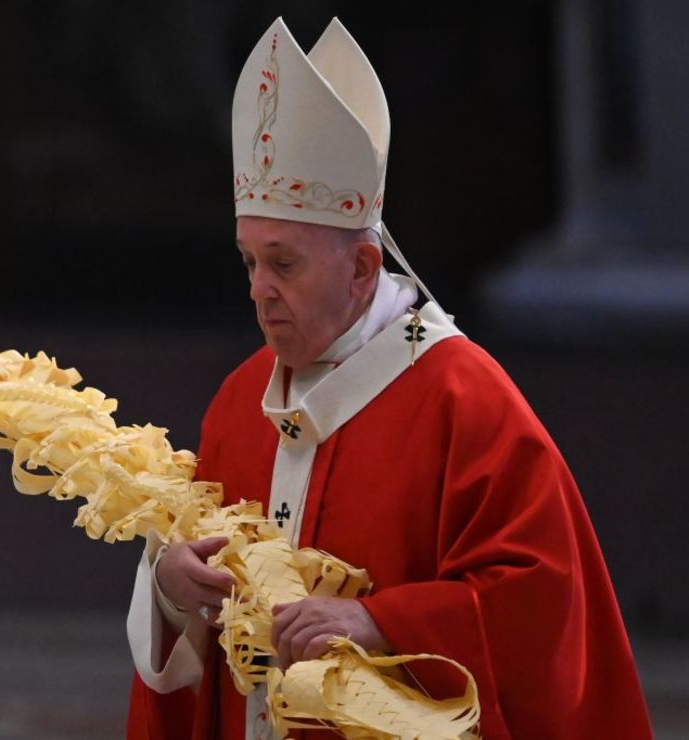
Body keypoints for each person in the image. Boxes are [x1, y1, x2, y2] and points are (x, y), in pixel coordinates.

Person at [124, 16, 652, 740]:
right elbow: (193, 584)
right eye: (249, 262)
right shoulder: (238, 400)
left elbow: (545, 605)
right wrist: (171, 587)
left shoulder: (462, 396)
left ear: (363, 269)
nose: (258, 289)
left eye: (284, 263)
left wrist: (379, 620)